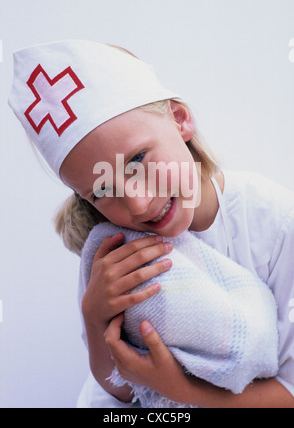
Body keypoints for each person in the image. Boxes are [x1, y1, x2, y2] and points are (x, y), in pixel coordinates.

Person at [8, 40, 294, 408]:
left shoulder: (277, 223)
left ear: (179, 119)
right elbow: (121, 391)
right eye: (103, 190)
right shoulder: (112, 250)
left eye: (138, 160)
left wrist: (181, 389)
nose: (139, 203)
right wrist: (95, 320)